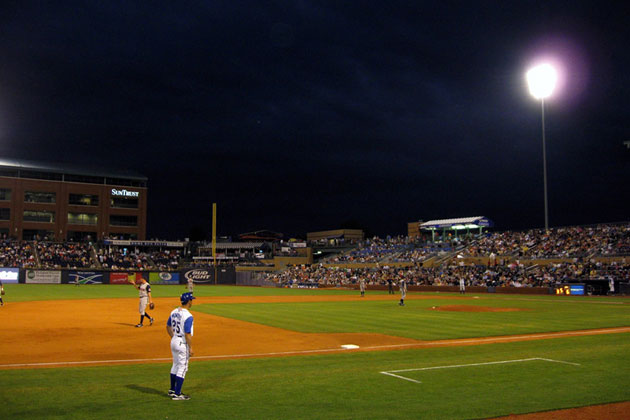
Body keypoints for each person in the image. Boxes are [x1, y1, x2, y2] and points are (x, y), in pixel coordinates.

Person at [167, 292, 196, 400]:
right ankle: (177, 394)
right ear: (189, 301)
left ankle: (172, 390)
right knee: (182, 367)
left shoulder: (174, 311)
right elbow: (187, 333)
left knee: (175, 364)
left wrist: (173, 337)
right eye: (191, 300)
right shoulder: (188, 316)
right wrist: (191, 347)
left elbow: (168, 326)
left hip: (174, 340)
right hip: (182, 342)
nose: (192, 301)